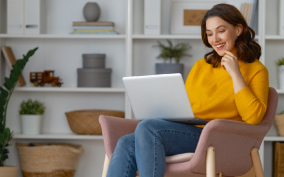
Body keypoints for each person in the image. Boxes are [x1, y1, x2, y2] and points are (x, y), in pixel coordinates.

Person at [106, 3, 269, 177]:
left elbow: (253, 118)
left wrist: (235, 74)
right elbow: (187, 106)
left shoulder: (256, 70)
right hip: (189, 132)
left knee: (148, 127)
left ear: (238, 30)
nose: (215, 39)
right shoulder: (201, 66)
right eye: (209, 34)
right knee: (125, 142)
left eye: (221, 31)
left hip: (220, 138)